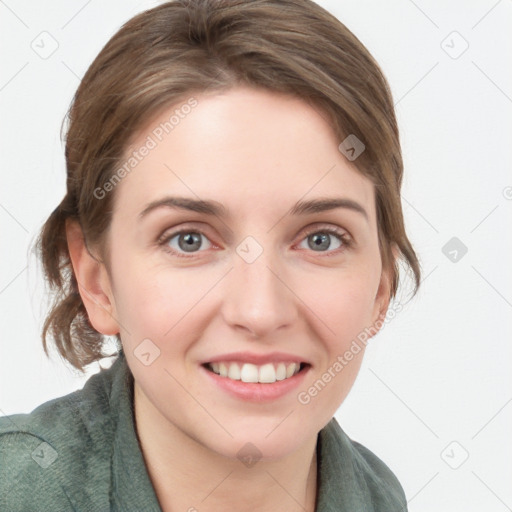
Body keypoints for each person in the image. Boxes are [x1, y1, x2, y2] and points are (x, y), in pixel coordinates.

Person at [0, 0, 421, 510]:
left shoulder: (379, 497)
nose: (260, 311)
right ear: (96, 280)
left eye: (320, 239)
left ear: (382, 285)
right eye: (189, 240)